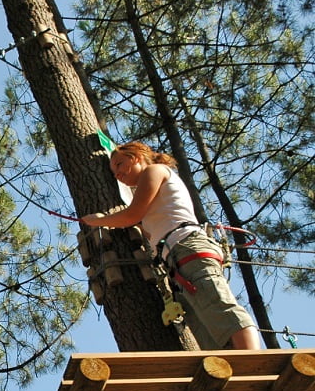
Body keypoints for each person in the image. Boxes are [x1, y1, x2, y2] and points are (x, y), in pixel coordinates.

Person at [81, 141, 261, 350]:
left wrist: (97, 220)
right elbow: (139, 217)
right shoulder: (152, 197)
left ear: (137, 157)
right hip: (177, 259)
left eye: (120, 164)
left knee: (219, 307)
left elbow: (132, 214)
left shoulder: (154, 171)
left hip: (187, 247)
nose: (117, 174)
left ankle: (254, 361)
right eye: (113, 172)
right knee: (205, 328)